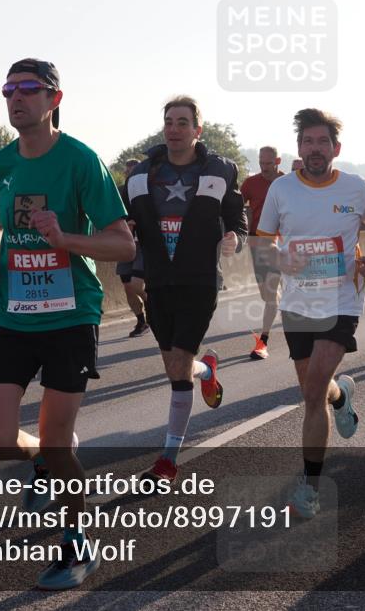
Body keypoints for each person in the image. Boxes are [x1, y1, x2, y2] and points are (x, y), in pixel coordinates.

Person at [0, 58, 135, 589]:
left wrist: (66, 241)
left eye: (29, 90)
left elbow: (123, 243)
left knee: (59, 442)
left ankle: (77, 544)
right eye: (9, 90)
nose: (17, 98)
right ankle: (41, 453)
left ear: (54, 99)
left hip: (69, 316)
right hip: (12, 316)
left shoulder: (82, 161)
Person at [256, 108, 365, 519]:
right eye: (308, 142)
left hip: (341, 303)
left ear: (336, 148)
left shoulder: (354, 187)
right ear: (299, 149)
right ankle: (342, 394)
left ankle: (310, 487)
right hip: (298, 305)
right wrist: (279, 261)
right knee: (315, 391)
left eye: (323, 142)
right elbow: (262, 245)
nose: (315, 149)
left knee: (312, 392)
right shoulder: (281, 190)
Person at [125, 96, 247, 481]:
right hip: (159, 281)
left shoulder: (220, 170)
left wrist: (234, 239)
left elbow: (237, 218)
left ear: (198, 130)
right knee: (174, 368)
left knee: (178, 365)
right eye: (169, 122)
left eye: (182, 122)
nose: (174, 128)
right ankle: (206, 370)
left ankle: (168, 459)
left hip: (199, 279)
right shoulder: (140, 175)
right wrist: (124, 230)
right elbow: (124, 218)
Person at [241, 146, 285, 359]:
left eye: (269, 163)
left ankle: (264, 340)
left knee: (271, 289)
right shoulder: (251, 183)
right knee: (266, 294)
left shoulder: (289, 183)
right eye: (261, 163)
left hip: (279, 241)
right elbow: (236, 207)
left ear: (277, 161)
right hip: (257, 241)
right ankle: (278, 298)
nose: (265, 167)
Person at [117, 158, 150, 337]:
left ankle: (156, 307)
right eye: (129, 172)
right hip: (124, 243)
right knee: (128, 287)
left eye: (136, 172)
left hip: (143, 243)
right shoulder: (120, 192)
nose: (132, 175)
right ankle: (141, 321)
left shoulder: (149, 190)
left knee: (137, 285)